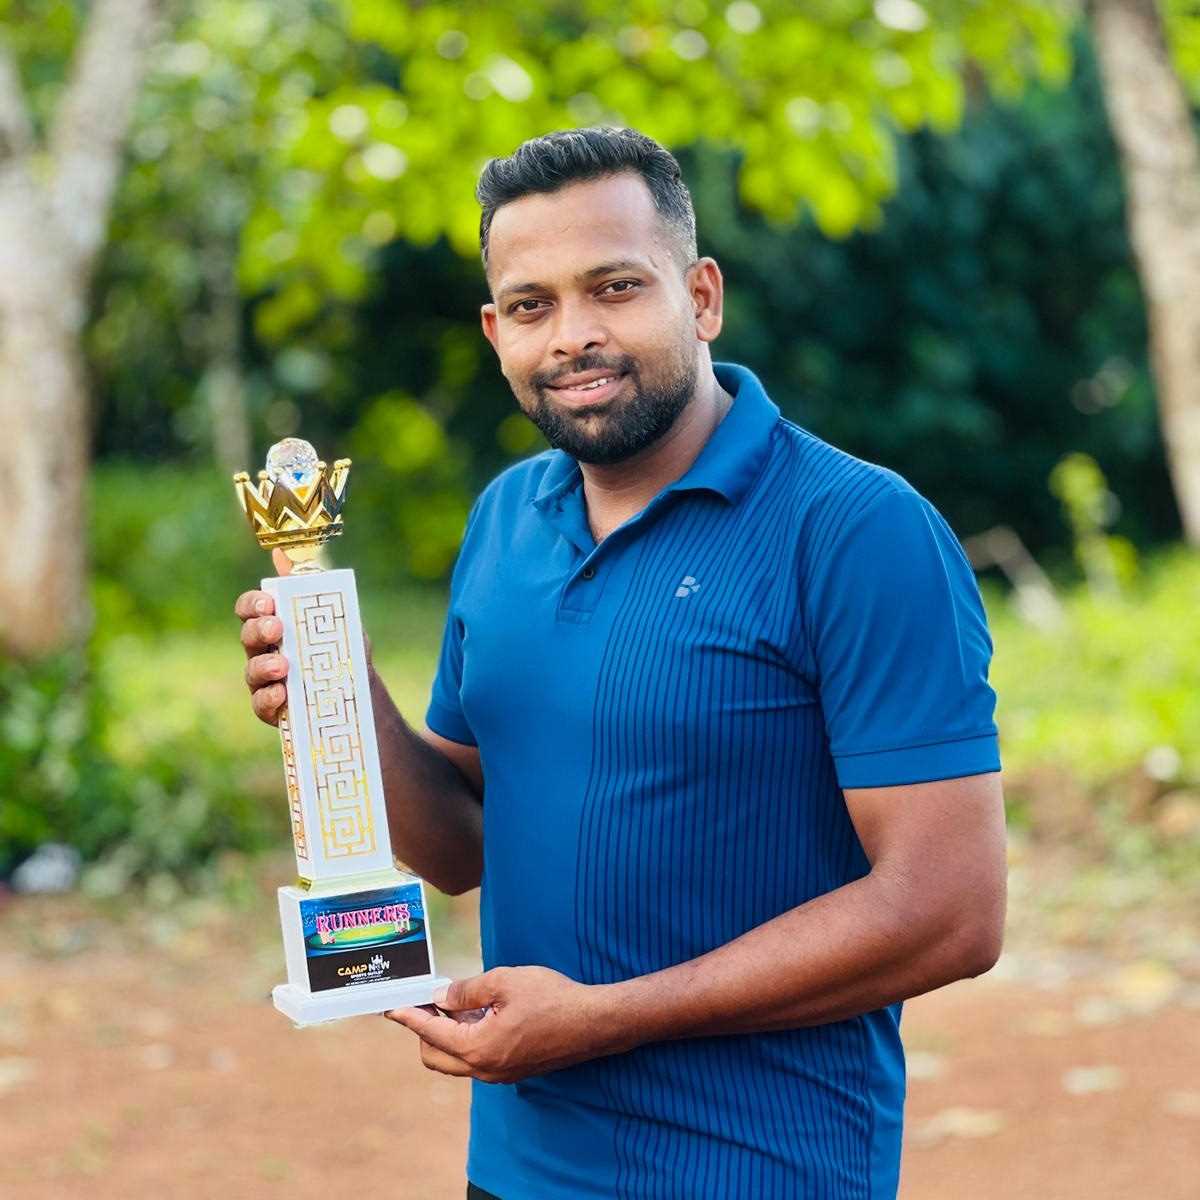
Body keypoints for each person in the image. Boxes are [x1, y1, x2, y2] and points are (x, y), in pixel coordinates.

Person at [236, 127, 1006, 1200]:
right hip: (518, 1168)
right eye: (531, 304)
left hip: (760, 1172)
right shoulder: (506, 517)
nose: (574, 335)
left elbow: (951, 911)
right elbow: (462, 844)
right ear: (495, 331)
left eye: (614, 287)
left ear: (701, 296)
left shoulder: (856, 529)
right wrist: (343, 697)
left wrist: (604, 1020)